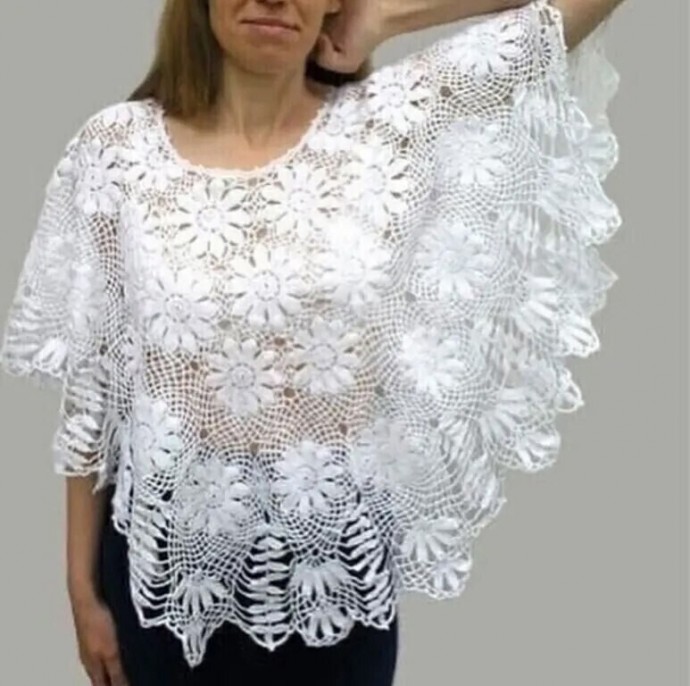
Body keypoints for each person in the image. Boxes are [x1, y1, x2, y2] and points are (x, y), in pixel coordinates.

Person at [0, 0, 627, 684]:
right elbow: (93, 390)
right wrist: (79, 587)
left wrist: (384, 16)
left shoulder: (390, 123)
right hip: (167, 569)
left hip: (336, 571)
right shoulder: (119, 150)